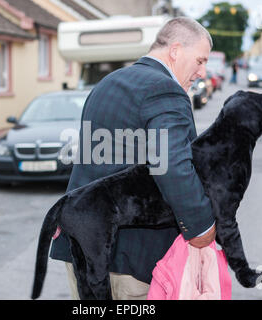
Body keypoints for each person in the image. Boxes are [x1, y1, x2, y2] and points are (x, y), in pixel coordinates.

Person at [49, 17, 216, 300]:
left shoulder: (105, 84)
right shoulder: (167, 90)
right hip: (134, 261)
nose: (202, 71)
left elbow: (90, 162)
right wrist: (201, 226)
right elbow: (173, 166)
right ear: (175, 50)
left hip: (83, 254)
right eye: (200, 61)